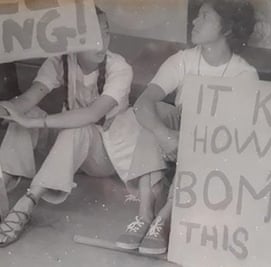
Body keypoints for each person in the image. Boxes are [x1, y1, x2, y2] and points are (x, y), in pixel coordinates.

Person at [0, 7, 167, 247]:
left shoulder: (119, 67)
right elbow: (28, 100)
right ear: (75, 38)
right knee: (28, 114)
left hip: (103, 154)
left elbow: (92, 114)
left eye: (106, 33)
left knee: (75, 126)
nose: (102, 42)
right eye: (93, 36)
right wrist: (9, 109)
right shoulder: (60, 61)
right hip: (67, 151)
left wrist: (35, 121)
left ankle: (26, 204)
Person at [122, 0, 259, 255]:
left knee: (207, 129)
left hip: (210, 155)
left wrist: (187, 141)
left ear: (227, 28)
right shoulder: (183, 60)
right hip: (172, 145)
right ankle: (144, 213)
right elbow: (143, 103)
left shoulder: (244, 74)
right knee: (158, 111)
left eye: (205, 17)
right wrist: (164, 135)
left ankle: (164, 217)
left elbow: (234, 137)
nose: (195, 22)